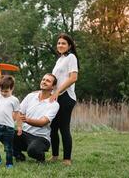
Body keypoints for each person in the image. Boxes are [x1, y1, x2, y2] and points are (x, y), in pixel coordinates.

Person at [13, 73, 59, 163]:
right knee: (6, 134)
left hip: (41, 138)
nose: (44, 82)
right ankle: (19, 156)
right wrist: (18, 127)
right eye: (43, 79)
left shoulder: (54, 104)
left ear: (53, 86)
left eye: (48, 81)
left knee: (33, 150)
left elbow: (43, 122)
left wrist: (27, 119)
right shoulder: (30, 96)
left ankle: (41, 158)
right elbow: (19, 113)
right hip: (25, 133)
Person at [49, 33, 79, 166]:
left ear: (69, 46)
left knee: (64, 127)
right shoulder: (59, 60)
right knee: (53, 127)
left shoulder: (71, 57)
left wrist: (58, 91)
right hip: (56, 96)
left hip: (66, 97)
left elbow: (73, 78)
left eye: (63, 43)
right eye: (59, 43)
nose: (60, 45)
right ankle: (55, 156)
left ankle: (67, 159)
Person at [0, 65, 22, 169]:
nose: (3, 93)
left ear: (11, 88)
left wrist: (19, 126)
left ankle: (9, 163)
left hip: (9, 129)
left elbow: (17, 114)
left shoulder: (14, 100)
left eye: (6, 91)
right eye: (2, 90)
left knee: (8, 148)